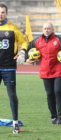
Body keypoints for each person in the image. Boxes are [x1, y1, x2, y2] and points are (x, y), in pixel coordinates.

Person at [26, 22, 61, 124]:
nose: (47, 30)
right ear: (42, 30)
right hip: (45, 71)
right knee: (50, 94)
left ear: (53, 30)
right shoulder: (37, 41)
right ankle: (53, 116)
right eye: (45, 28)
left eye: (49, 28)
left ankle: (60, 116)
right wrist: (27, 58)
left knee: (58, 91)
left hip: (59, 71)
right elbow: (27, 48)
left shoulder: (59, 40)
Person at [0, 4, 28, 134]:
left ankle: (15, 123)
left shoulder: (13, 28)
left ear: (6, 13)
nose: (1, 14)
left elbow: (25, 42)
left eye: (3, 12)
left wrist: (22, 52)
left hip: (8, 68)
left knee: (12, 95)